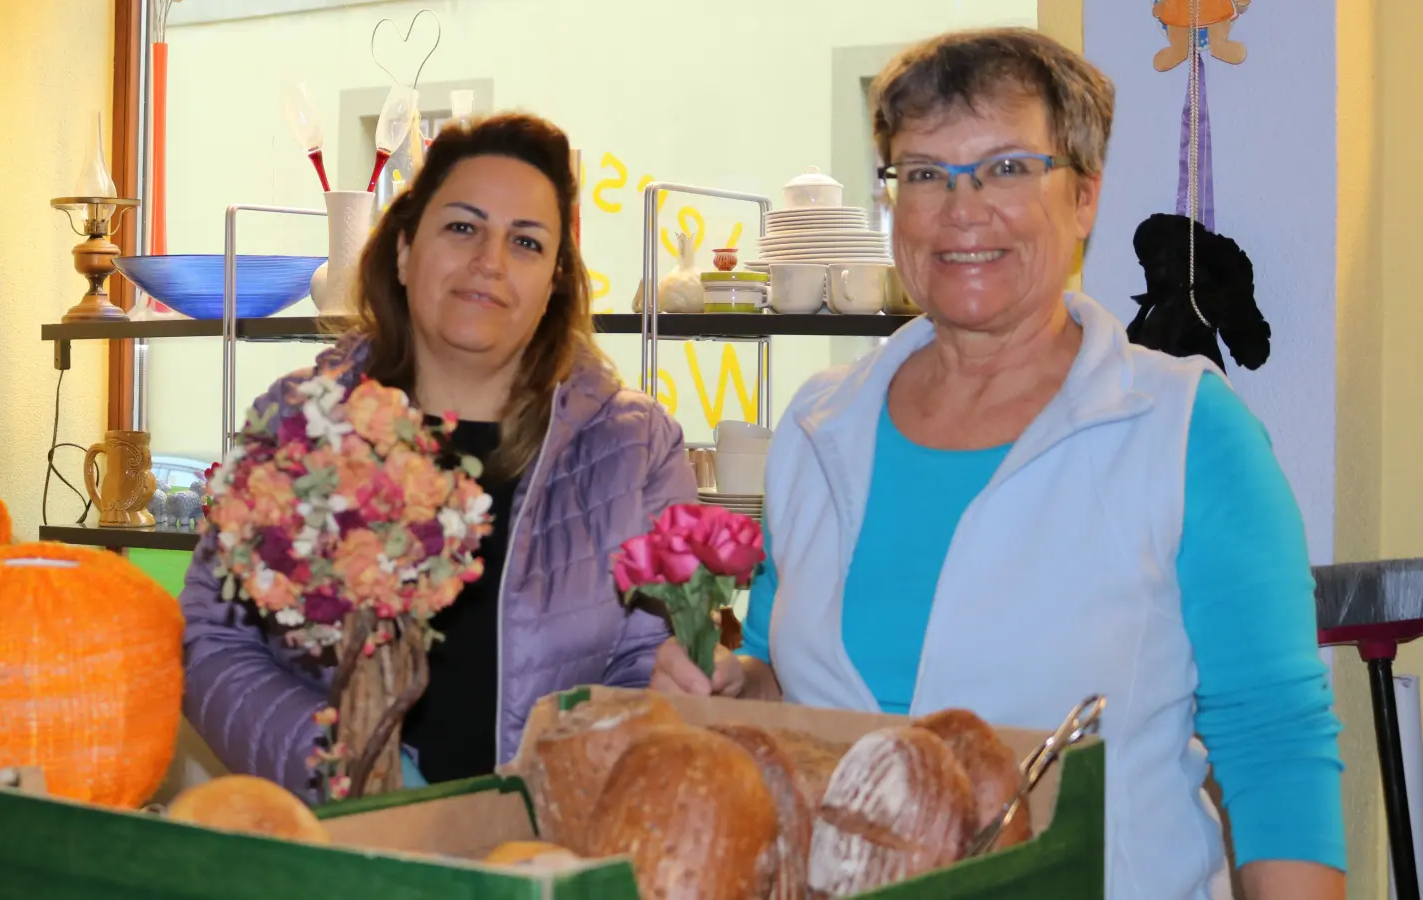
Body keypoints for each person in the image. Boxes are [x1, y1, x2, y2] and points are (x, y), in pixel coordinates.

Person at [651, 29, 1343, 900]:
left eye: (1008, 167)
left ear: (1084, 197)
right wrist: (732, 690)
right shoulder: (819, 427)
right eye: (925, 173)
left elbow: (1273, 742)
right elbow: (782, 683)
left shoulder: (1185, 431)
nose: (961, 208)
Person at [181, 113, 696, 800]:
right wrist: (348, 765)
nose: (490, 261)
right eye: (462, 227)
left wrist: (538, 808)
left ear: (554, 283)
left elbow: (647, 667)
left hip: (544, 846)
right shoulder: (302, 422)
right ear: (403, 250)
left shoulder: (635, 448)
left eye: (526, 242)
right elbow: (214, 644)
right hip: (342, 843)